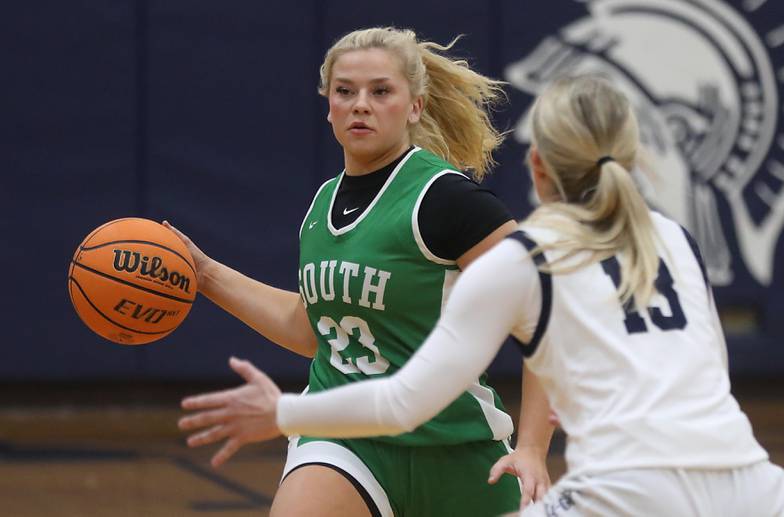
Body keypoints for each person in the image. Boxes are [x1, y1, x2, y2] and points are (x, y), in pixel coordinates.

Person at [179, 74, 784, 516]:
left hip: (628, 491)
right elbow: (712, 369)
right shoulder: (675, 239)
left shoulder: (521, 258)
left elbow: (402, 402)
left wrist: (282, 413)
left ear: (538, 170)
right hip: (755, 485)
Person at [170, 26, 554, 517]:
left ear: (414, 105)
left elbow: (545, 310)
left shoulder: (446, 200)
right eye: (345, 92)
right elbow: (315, 330)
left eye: (380, 91)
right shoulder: (321, 204)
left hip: (456, 443)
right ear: (328, 105)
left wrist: (534, 447)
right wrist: (204, 274)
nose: (360, 105)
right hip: (343, 437)